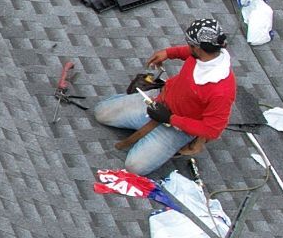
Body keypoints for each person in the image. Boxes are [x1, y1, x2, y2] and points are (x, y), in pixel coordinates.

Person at [90, 15, 236, 176]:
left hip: (177, 127)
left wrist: (170, 119)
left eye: (191, 45)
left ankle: (174, 141)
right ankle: (141, 126)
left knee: (134, 167)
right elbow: (189, 53)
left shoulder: (221, 91)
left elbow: (211, 130)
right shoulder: (205, 55)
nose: (188, 47)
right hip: (160, 101)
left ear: (199, 48)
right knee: (101, 113)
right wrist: (169, 53)